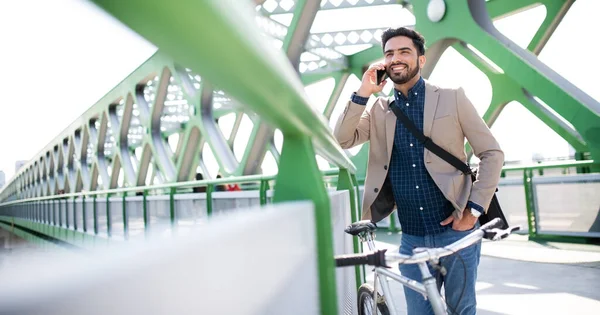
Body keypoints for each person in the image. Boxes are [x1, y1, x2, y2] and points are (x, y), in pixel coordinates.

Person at [333, 27, 504, 315]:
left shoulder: (452, 98)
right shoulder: (379, 110)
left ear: (421, 60)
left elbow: (491, 153)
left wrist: (472, 211)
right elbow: (342, 138)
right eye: (389, 53)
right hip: (411, 237)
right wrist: (364, 91)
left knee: (462, 310)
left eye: (404, 52)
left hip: (456, 231)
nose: (395, 58)